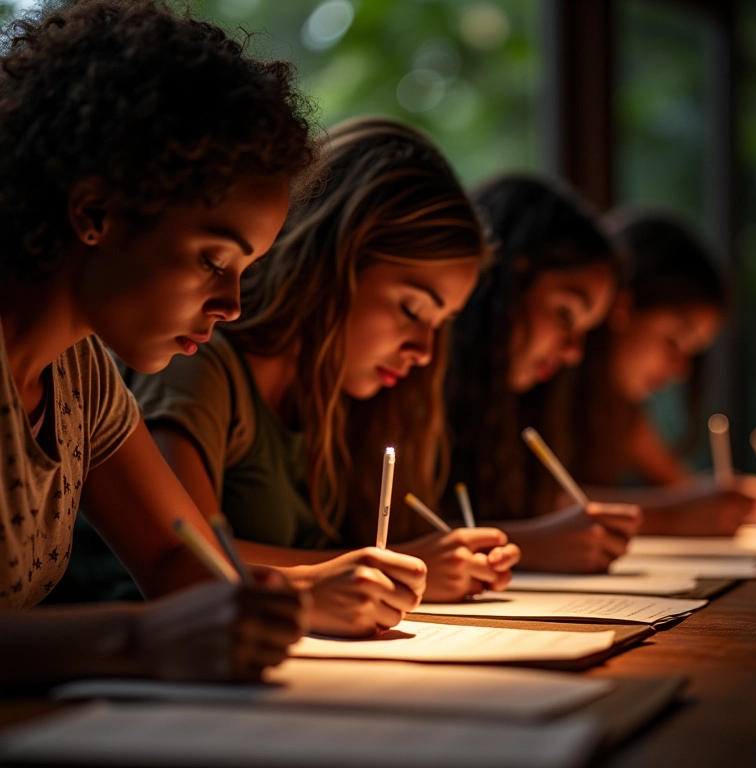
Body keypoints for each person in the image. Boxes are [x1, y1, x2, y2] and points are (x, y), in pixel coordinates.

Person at [0, 0, 319, 686]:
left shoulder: (81, 375)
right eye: (212, 260)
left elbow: (179, 558)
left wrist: (273, 603)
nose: (232, 305)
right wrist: (136, 640)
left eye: (245, 271)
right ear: (96, 212)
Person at [125, 116, 519, 628]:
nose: (425, 351)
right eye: (411, 309)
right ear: (333, 264)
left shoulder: (335, 399)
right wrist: (376, 566)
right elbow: (190, 558)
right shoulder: (196, 363)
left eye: (441, 325)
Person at [446, 173, 642, 573]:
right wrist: (533, 545)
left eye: (586, 331)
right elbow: (389, 536)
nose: (573, 353)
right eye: (565, 314)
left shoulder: (511, 409)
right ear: (506, 279)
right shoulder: (414, 383)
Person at [570, 210, 756, 535]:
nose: (681, 370)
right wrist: (674, 515)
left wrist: (739, 501)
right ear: (622, 306)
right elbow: (538, 506)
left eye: (692, 353)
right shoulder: (544, 380)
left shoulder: (619, 411)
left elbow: (680, 486)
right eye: (674, 342)